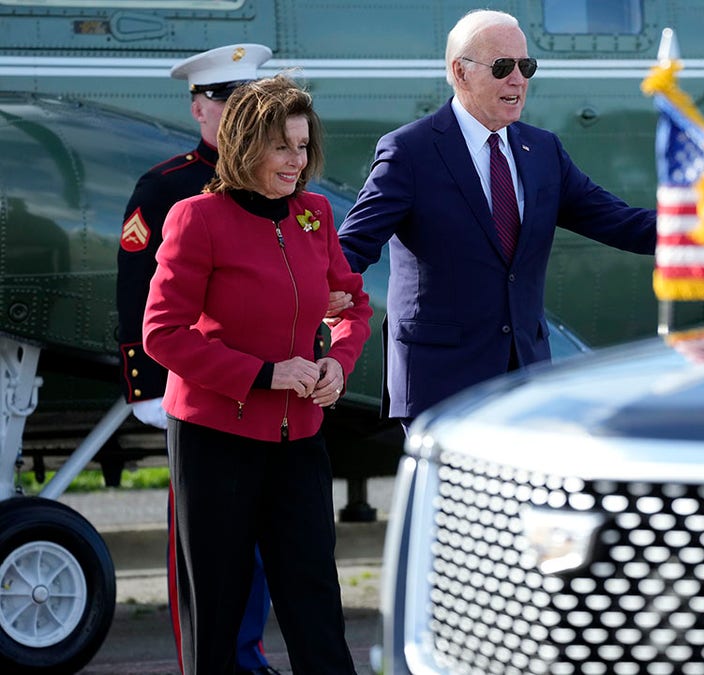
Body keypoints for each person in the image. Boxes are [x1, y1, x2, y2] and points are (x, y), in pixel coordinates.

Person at [143, 73, 372, 674]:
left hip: (299, 441)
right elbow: (161, 334)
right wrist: (265, 374)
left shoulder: (315, 214)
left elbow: (354, 307)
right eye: (282, 147)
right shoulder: (197, 218)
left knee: (316, 603)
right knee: (217, 611)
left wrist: (337, 366)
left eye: (302, 146)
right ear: (246, 146)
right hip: (215, 440)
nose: (297, 161)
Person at [338, 8, 655, 426]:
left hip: (525, 380)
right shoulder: (410, 152)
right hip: (441, 383)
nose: (518, 79)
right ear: (461, 72)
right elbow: (351, 248)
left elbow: (620, 222)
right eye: (503, 66)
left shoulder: (543, 151)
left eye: (526, 66)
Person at [115, 43, 286, 675]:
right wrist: (145, 385)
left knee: (265, 543)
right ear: (198, 110)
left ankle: (249, 656)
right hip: (199, 390)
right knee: (206, 548)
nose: (240, 109)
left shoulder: (283, 182)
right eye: (225, 98)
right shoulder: (168, 187)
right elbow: (137, 288)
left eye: (250, 97)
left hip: (270, 390)